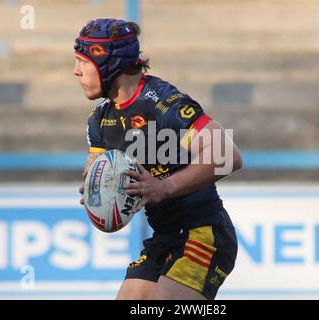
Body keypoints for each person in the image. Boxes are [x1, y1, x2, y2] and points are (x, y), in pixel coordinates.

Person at [74, 18, 243, 300]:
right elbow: (98, 174)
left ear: (108, 63)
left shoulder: (164, 103)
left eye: (83, 61)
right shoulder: (99, 121)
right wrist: (97, 192)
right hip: (165, 237)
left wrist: (164, 187)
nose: (76, 71)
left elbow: (228, 156)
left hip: (204, 234)